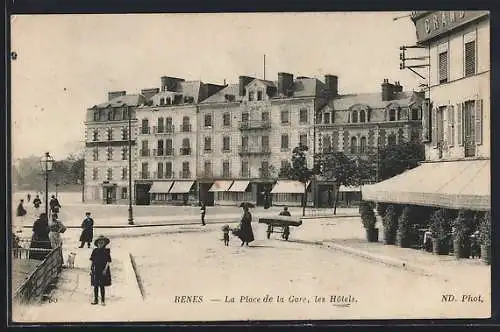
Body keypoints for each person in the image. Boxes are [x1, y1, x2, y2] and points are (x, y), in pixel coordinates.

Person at [89, 235, 112, 306]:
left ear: (104, 244)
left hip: (103, 269)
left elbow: (108, 261)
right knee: (95, 285)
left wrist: (105, 269)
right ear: (97, 243)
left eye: (102, 243)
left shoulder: (106, 251)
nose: (100, 244)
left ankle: (102, 300)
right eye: (99, 243)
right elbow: (92, 261)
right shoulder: (95, 251)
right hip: (96, 269)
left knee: (102, 285)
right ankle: (96, 300)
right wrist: (91, 269)